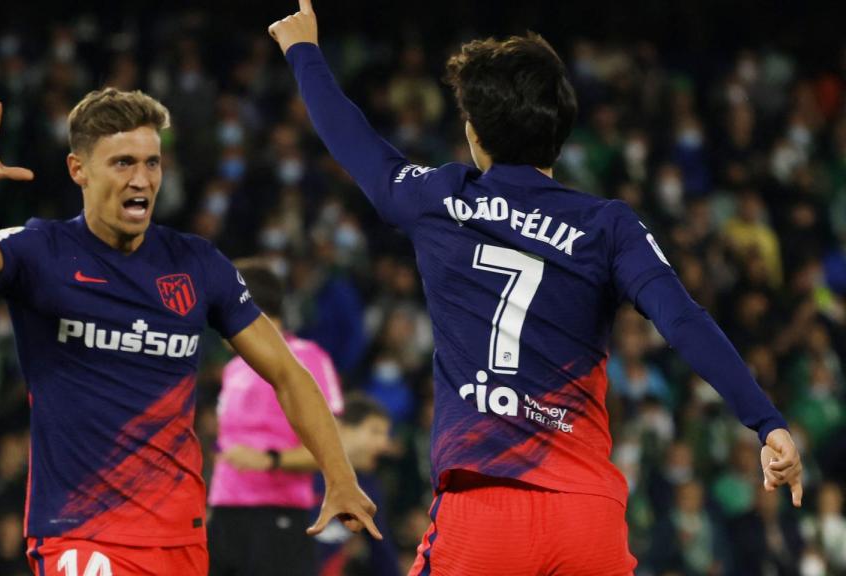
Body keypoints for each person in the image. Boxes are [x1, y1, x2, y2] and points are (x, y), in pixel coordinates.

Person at [267, 3, 804, 574]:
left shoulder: (440, 199)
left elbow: (354, 140)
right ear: (560, 133)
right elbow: (683, 321)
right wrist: (765, 421)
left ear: (474, 133)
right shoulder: (609, 225)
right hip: (587, 518)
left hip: (484, 510)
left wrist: (303, 51)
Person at [0, 90, 379, 576]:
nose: (142, 180)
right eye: (123, 163)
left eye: (153, 163)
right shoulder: (40, 253)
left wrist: (338, 475)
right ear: (78, 169)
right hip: (79, 531)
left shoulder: (196, 265)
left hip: (179, 537)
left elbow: (287, 373)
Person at [207, 259, 344, 576]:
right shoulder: (232, 368)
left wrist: (270, 459)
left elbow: (335, 446)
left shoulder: (308, 359)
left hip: (277, 514)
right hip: (225, 513)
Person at [313, 393, 398, 576]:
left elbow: (382, 554)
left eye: (385, 435)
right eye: (375, 432)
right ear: (342, 428)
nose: (384, 443)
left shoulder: (368, 488)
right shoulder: (303, 475)